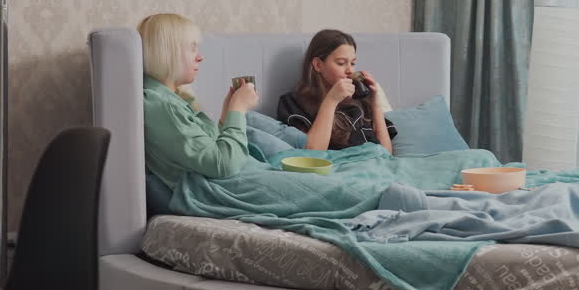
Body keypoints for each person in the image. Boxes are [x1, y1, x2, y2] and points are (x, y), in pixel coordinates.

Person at [139, 13, 259, 187]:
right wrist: (238, 109)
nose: (200, 57)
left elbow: (205, 151)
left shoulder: (171, 98)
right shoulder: (161, 105)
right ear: (168, 53)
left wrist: (226, 117)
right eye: (192, 48)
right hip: (224, 188)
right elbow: (224, 164)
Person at [277, 29, 396, 153]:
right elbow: (312, 153)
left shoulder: (360, 100)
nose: (350, 70)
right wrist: (332, 100)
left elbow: (387, 153)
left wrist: (375, 104)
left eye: (353, 63)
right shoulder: (293, 103)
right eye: (341, 63)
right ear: (318, 65)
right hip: (341, 168)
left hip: (377, 166)